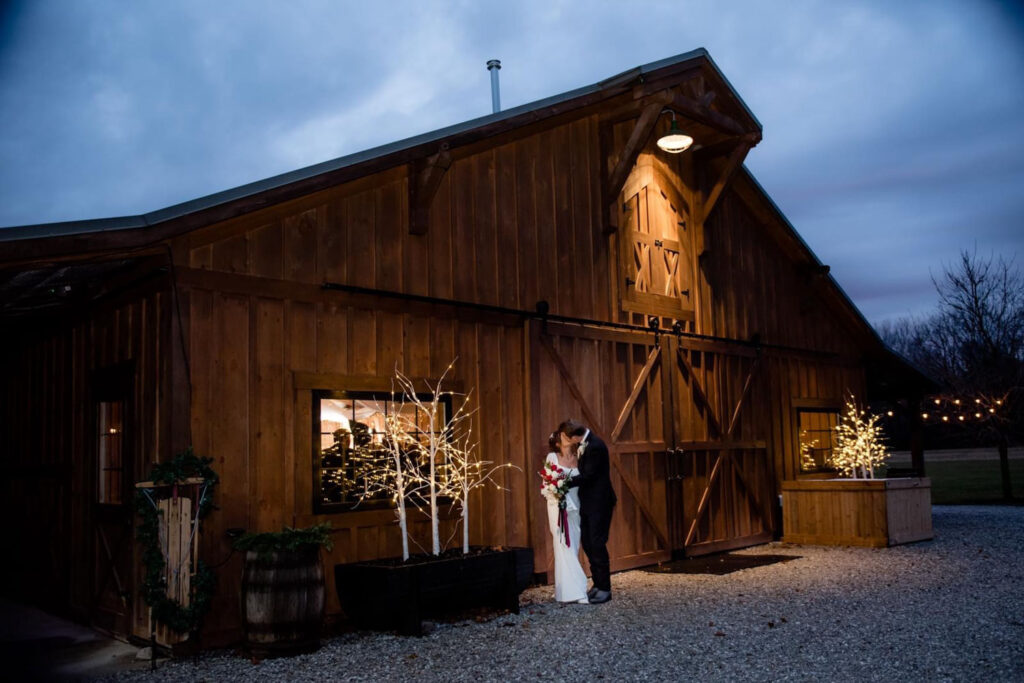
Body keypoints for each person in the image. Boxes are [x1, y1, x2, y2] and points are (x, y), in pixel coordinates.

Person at [559, 419, 616, 604]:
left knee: (597, 544)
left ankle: (605, 589)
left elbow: (589, 476)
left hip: (599, 503)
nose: (569, 442)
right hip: (589, 503)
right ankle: (597, 584)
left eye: (569, 438)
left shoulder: (596, 446)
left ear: (575, 436)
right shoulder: (586, 443)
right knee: (589, 543)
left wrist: (563, 483)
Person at [543, 432, 589, 604]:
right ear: (557, 443)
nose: (567, 437)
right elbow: (549, 483)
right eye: (563, 436)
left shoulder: (580, 456)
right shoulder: (552, 457)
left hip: (576, 506)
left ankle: (563, 590)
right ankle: (578, 591)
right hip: (558, 506)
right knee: (563, 544)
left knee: (574, 545)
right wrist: (560, 497)